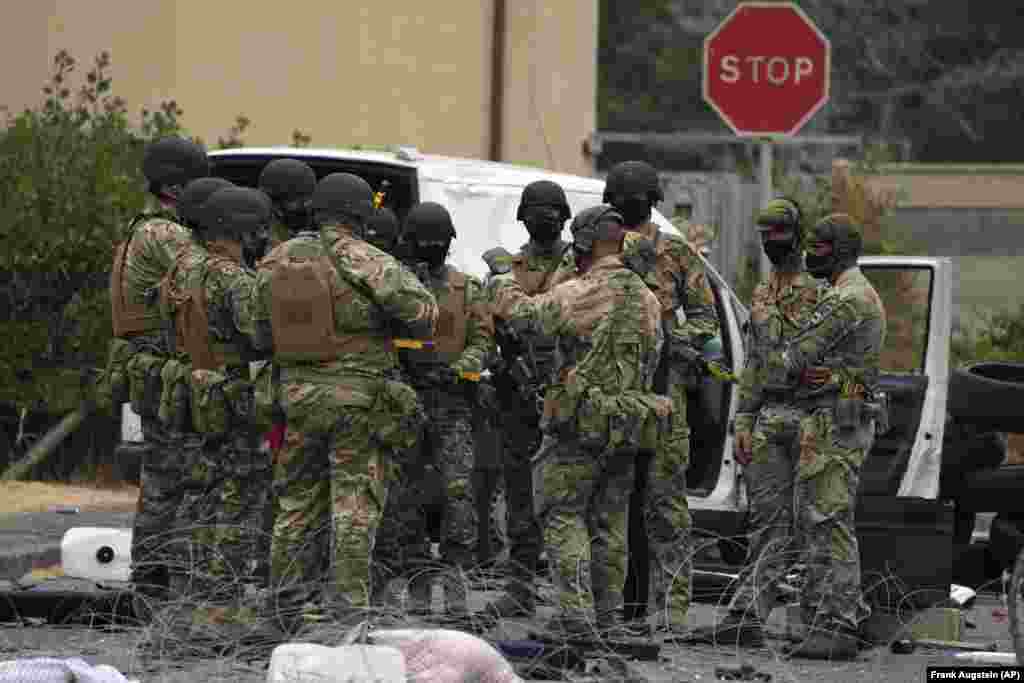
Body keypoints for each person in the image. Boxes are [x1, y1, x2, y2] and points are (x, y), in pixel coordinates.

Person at [253, 172, 438, 632]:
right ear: (359, 214)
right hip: (357, 400)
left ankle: (283, 613)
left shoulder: (275, 261)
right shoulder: (364, 257)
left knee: (295, 506)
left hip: (296, 399)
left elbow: (256, 332)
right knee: (354, 506)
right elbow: (424, 314)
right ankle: (349, 614)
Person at [485, 205, 666, 637]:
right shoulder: (648, 299)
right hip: (627, 425)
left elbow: (526, 317)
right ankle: (607, 618)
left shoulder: (580, 292)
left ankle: (574, 618)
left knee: (564, 517)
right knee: (610, 524)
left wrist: (502, 275)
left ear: (583, 244)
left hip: (576, 426)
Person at [690, 197, 825, 647]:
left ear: (797, 235)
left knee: (816, 521)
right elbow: (753, 366)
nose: (772, 244)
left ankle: (820, 621)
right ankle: (748, 615)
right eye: (765, 237)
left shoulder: (824, 289)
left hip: (813, 417)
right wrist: (743, 419)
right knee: (767, 521)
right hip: (769, 418)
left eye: (780, 236)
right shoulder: (764, 292)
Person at [603, 160, 719, 633]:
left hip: (664, 393)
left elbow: (706, 318)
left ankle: (670, 611)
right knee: (609, 504)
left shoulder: (676, 253)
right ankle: (610, 607)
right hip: (611, 391)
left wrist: (681, 348)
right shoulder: (597, 248)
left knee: (666, 505)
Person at [157, 185, 272, 635]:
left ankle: (187, 601)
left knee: (196, 499)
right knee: (238, 503)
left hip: (189, 393)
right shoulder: (232, 277)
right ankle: (223, 610)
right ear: (237, 230)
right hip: (230, 399)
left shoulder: (180, 269)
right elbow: (259, 336)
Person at [373, 201, 494, 621]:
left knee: (458, 494)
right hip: (404, 404)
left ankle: (456, 584)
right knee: (403, 496)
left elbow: (483, 341)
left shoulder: (467, 288)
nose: (432, 249)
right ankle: (415, 582)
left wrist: (460, 370)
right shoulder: (393, 286)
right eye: (425, 242)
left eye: (439, 243)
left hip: (452, 405)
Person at [773, 212, 886, 659]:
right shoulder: (850, 293)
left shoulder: (845, 300)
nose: (808, 254)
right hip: (836, 418)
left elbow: (792, 356)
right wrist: (839, 379)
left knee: (828, 524)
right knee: (822, 523)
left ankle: (836, 625)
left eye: (818, 247)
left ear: (838, 251)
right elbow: (862, 376)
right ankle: (829, 619)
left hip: (834, 425)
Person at [100, 135, 208, 601]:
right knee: (178, 476)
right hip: (163, 368)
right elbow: (210, 279)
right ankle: (164, 581)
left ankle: (151, 579)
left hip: (148, 367)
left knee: (162, 476)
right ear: (175, 187)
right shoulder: (166, 234)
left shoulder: (138, 228)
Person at [478, 180, 573, 619]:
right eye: (536, 210)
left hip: (567, 393)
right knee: (519, 494)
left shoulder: (581, 266)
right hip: (516, 395)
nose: (544, 217)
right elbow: (485, 327)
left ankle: (573, 595)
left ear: (565, 215)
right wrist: (500, 366)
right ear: (522, 216)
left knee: (566, 497)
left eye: (552, 210)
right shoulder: (504, 271)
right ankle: (520, 585)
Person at [258, 158, 317, 249]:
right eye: (302, 200)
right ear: (276, 206)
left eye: (308, 200)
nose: (307, 205)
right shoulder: (258, 236)